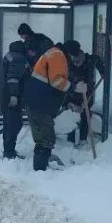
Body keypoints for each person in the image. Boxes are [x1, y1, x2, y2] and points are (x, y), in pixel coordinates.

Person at [25, 40, 87, 171]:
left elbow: (52, 84)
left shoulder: (54, 53)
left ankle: (41, 168)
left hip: (37, 102)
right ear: (70, 54)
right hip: (40, 104)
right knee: (46, 138)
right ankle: (40, 171)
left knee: (42, 138)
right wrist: (75, 87)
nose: (72, 61)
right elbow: (57, 81)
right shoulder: (58, 56)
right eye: (73, 57)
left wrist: (66, 102)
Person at [64, 41, 106, 145]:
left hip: (87, 94)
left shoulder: (89, 60)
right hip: (72, 94)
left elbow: (97, 59)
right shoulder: (67, 62)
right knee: (71, 115)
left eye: (77, 61)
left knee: (85, 115)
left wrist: (102, 71)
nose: (75, 63)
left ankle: (83, 139)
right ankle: (70, 140)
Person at [0, 40, 29, 159]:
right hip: (11, 96)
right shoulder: (18, 59)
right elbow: (13, 78)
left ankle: (8, 150)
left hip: (4, 94)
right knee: (14, 124)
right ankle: (9, 152)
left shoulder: (9, 56)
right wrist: (14, 95)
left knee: (10, 123)